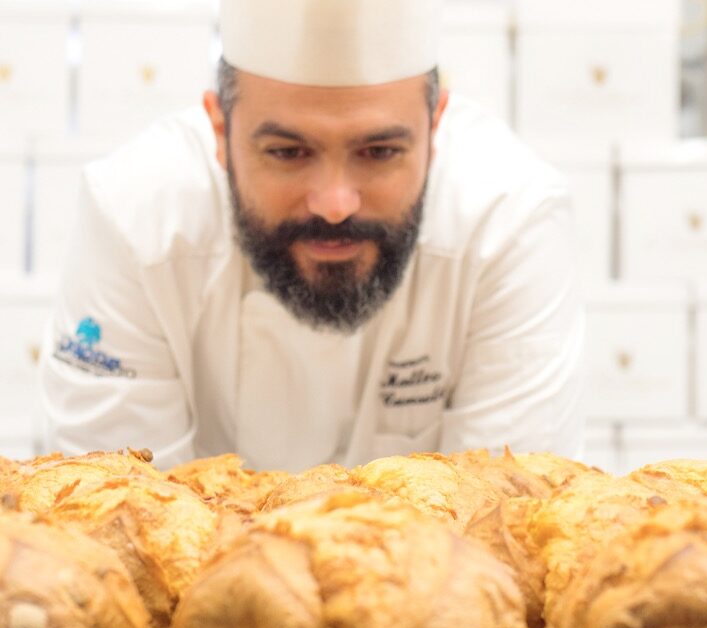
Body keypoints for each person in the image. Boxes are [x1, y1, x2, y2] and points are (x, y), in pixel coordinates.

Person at [40, 0, 585, 472]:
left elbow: (506, 529)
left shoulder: (509, 222)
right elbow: (120, 528)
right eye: (288, 152)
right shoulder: (136, 219)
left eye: (379, 153)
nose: (333, 204)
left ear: (435, 126)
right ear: (221, 131)